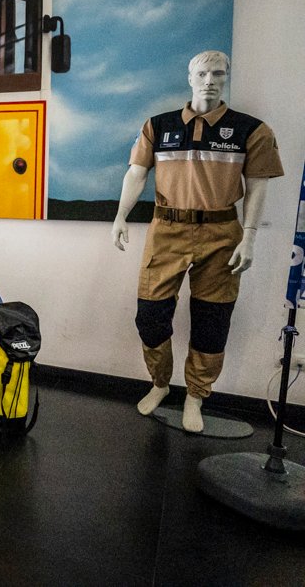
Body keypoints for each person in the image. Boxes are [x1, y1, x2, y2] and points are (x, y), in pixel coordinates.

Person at [112, 50, 283, 432]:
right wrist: (120, 216)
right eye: (203, 73)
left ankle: (195, 394)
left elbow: (257, 186)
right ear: (190, 78)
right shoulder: (159, 126)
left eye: (218, 73)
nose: (210, 80)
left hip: (222, 234)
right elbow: (136, 173)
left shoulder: (251, 130)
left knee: (212, 320)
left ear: (226, 78)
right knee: (151, 315)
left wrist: (250, 236)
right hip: (167, 230)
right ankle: (160, 383)